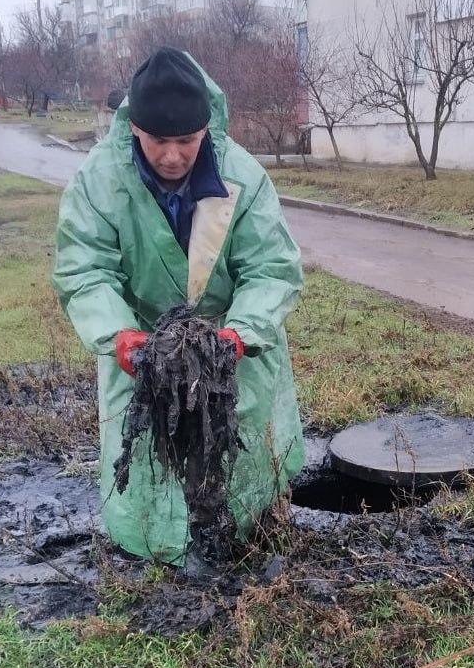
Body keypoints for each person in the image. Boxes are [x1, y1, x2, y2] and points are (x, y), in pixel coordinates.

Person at [53, 47, 304, 567]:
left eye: (186, 141)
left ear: (205, 130)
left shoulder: (245, 175)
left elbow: (272, 269)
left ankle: (246, 534)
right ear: (134, 129)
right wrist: (121, 338)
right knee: (147, 456)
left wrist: (237, 336)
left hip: (235, 341)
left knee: (244, 453)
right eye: (157, 141)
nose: (171, 156)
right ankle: (159, 549)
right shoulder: (100, 179)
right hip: (141, 342)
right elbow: (86, 270)